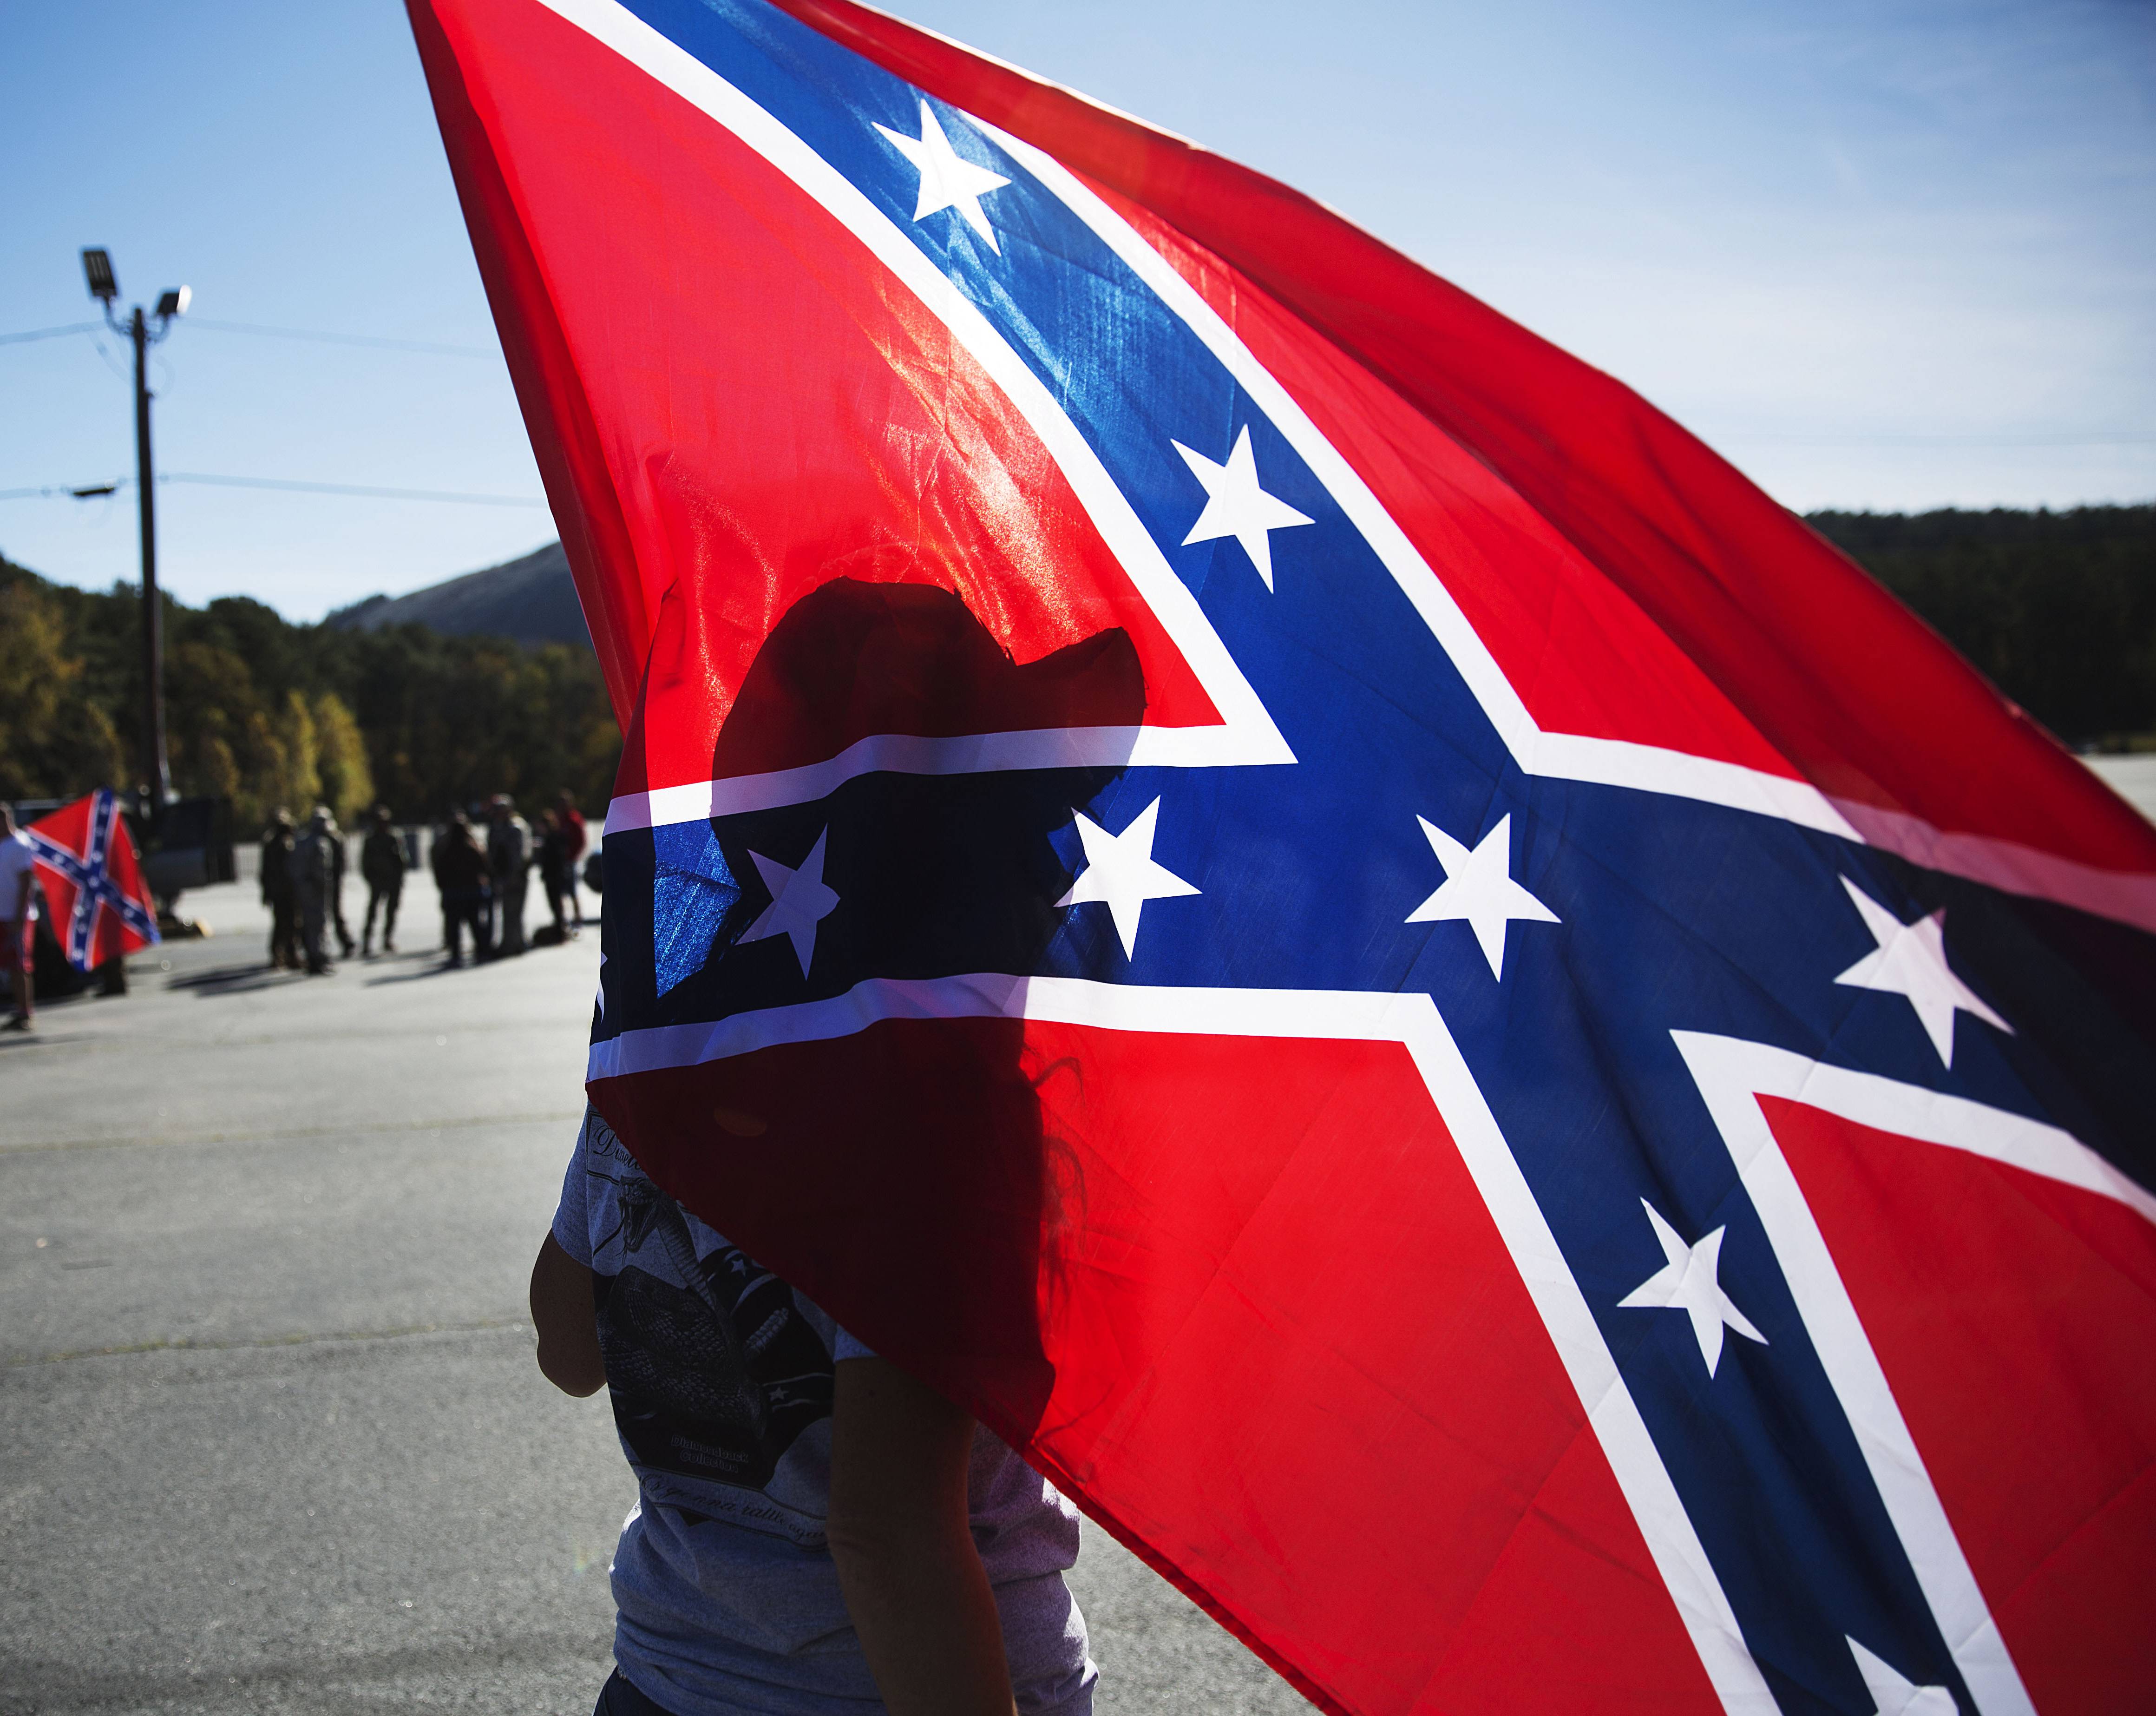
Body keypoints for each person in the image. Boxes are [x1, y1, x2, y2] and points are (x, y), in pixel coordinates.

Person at [530, 1107, 1095, 1716]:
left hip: (668, 1674)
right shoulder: (922, 1114)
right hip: (916, 1685)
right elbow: (886, 1540)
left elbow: (567, 1354)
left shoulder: (643, 1073)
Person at [431, 812, 491, 967]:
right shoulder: (470, 847)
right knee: (471, 924)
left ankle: (461, 954)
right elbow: (484, 868)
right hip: (464, 892)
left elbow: (439, 870)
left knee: (460, 926)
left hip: (460, 893)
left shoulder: (447, 848)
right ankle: (478, 952)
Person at [289, 806, 341, 975]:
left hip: (303, 890)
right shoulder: (321, 844)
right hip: (316, 891)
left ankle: (314, 958)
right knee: (319, 925)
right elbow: (322, 872)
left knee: (309, 925)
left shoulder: (301, 842)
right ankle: (319, 960)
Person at [1, 804, 39, 1031]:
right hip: (2, 915)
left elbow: (27, 882)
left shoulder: (20, 844)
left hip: (18, 916)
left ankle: (25, 1012)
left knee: (18, 966)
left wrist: (19, 917)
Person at [486, 794, 532, 957]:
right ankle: (513, 942)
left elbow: (521, 855)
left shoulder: (516, 828)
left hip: (516, 877)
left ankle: (514, 943)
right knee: (507, 910)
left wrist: (514, 875)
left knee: (514, 910)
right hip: (504, 876)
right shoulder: (498, 827)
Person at [260, 809, 302, 971]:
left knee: (294, 924)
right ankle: (279, 955)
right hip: (280, 891)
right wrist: (267, 892)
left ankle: (291, 955)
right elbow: (266, 872)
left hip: (289, 890)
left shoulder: (290, 843)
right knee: (283, 924)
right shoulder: (273, 845)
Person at [360, 806, 404, 957]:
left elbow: (402, 860)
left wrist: (400, 879)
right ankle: (367, 941)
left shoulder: (394, 837)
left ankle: (387, 939)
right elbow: (365, 863)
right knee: (373, 913)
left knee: (391, 912)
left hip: (393, 881)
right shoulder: (371, 840)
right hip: (377, 882)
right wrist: (370, 879)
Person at [536, 809, 577, 940]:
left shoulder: (555, 838)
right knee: (555, 904)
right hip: (552, 876)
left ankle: (561, 930)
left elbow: (558, 858)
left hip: (555, 876)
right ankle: (560, 927)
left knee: (557, 903)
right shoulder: (550, 838)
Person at [556, 789, 588, 928]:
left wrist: (573, 856)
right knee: (560, 891)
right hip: (560, 861)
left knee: (573, 890)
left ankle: (578, 917)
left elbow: (582, 841)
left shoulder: (574, 819)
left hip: (571, 861)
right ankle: (563, 919)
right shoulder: (558, 820)